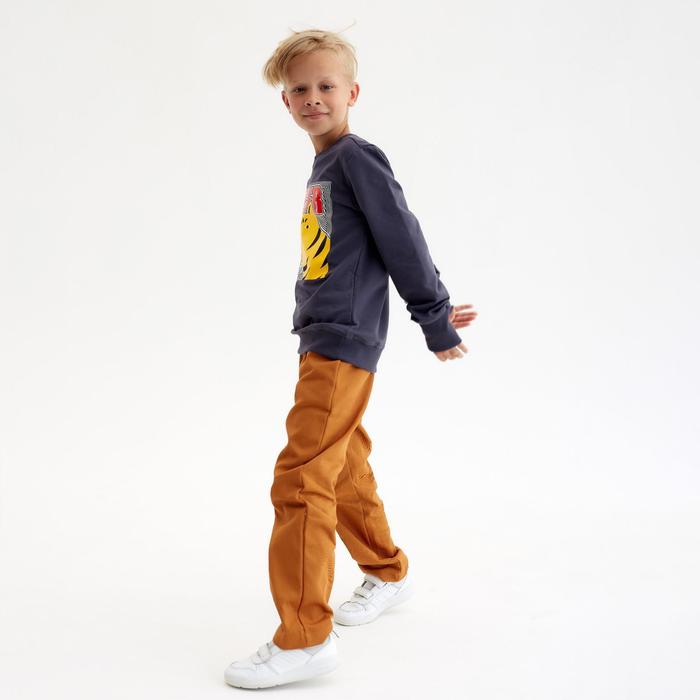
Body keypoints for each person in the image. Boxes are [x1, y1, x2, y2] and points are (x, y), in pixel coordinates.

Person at [224, 27, 477, 690]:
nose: (313, 98)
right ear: (285, 102)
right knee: (341, 467)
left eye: (326, 86)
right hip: (324, 337)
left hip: (342, 341)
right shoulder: (326, 166)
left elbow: (402, 237)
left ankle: (305, 638)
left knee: (301, 477)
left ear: (352, 93)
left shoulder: (356, 157)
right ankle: (388, 572)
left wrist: (433, 316)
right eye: (300, 89)